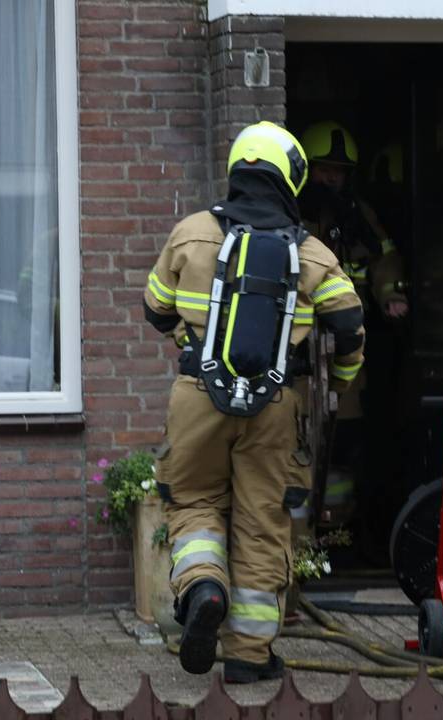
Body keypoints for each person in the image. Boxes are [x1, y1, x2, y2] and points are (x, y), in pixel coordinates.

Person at [143, 121, 365, 684]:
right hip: (273, 407)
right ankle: (248, 656)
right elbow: (350, 326)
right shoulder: (312, 252)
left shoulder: (191, 233)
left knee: (192, 500)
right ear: (291, 178)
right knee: (263, 521)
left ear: (238, 169)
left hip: (196, 396)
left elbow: (155, 310)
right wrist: (339, 381)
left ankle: (202, 589)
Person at [297, 121, 408, 546]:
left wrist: (389, 294)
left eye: (340, 172)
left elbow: (385, 257)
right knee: (295, 443)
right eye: (325, 169)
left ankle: (336, 537)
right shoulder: (291, 215)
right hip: (297, 351)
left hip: (345, 348)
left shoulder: (359, 216)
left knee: (345, 447)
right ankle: (298, 540)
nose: (332, 179)